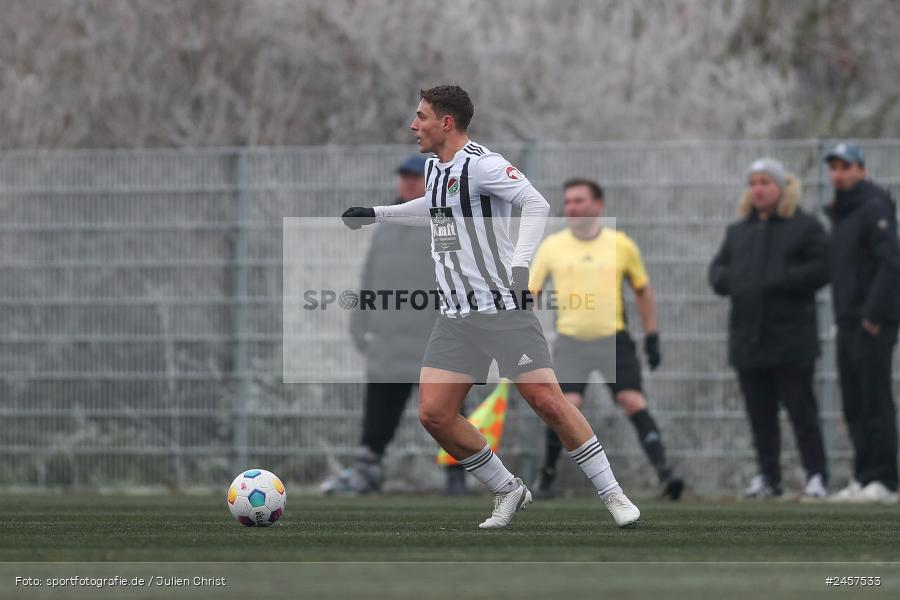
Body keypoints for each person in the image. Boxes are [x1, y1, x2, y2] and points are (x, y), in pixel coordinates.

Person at [341, 84, 640, 529]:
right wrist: (378, 213)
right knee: (435, 415)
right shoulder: (435, 167)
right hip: (456, 317)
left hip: (502, 310)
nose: (413, 125)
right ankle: (508, 489)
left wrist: (521, 267)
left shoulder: (483, 165)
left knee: (549, 403)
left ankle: (614, 495)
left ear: (446, 122)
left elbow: (535, 202)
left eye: (421, 116)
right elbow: (435, 207)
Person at [528, 178, 683, 500]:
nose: (571, 207)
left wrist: (652, 334)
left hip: (614, 340)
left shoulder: (621, 244)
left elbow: (642, 290)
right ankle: (546, 477)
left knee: (633, 401)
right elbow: (532, 294)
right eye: (568, 201)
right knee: (566, 406)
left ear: (598, 205)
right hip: (571, 342)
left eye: (579, 201)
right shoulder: (552, 247)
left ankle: (666, 475)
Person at [322, 155, 469, 495]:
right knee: (378, 413)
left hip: (433, 339)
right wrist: (360, 322)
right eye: (403, 177)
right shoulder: (385, 225)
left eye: (415, 177)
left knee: (447, 412)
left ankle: (458, 474)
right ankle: (367, 472)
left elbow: (458, 273)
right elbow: (369, 277)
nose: (407, 183)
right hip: (388, 341)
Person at [708, 158, 830, 499]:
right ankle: (769, 478)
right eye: (754, 182)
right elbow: (717, 271)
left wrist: (779, 280)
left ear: (781, 187)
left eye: (766, 182)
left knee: (802, 413)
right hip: (748, 340)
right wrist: (733, 282)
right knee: (759, 416)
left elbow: (822, 268)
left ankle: (817, 476)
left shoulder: (805, 227)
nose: (759, 189)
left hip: (791, 340)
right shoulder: (738, 231)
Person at [823, 143, 900, 504]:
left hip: (872, 323)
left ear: (861, 170)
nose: (838, 174)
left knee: (875, 401)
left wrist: (873, 314)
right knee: (854, 404)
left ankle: (885, 480)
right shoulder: (842, 213)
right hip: (847, 321)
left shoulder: (874, 206)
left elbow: (890, 264)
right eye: (833, 167)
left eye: (845, 167)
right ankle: (864, 475)